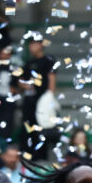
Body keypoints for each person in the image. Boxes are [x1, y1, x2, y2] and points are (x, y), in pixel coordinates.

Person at [19, 33, 57, 161]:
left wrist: (49, 98)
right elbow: (20, 80)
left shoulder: (48, 60)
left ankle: (41, 158)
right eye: (30, 44)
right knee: (27, 127)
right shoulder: (28, 63)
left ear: (41, 45)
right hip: (29, 101)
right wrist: (26, 86)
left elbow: (51, 79)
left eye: (34, 43)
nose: (31, 47)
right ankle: (26, 156)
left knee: (41, 129)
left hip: (42, 102)